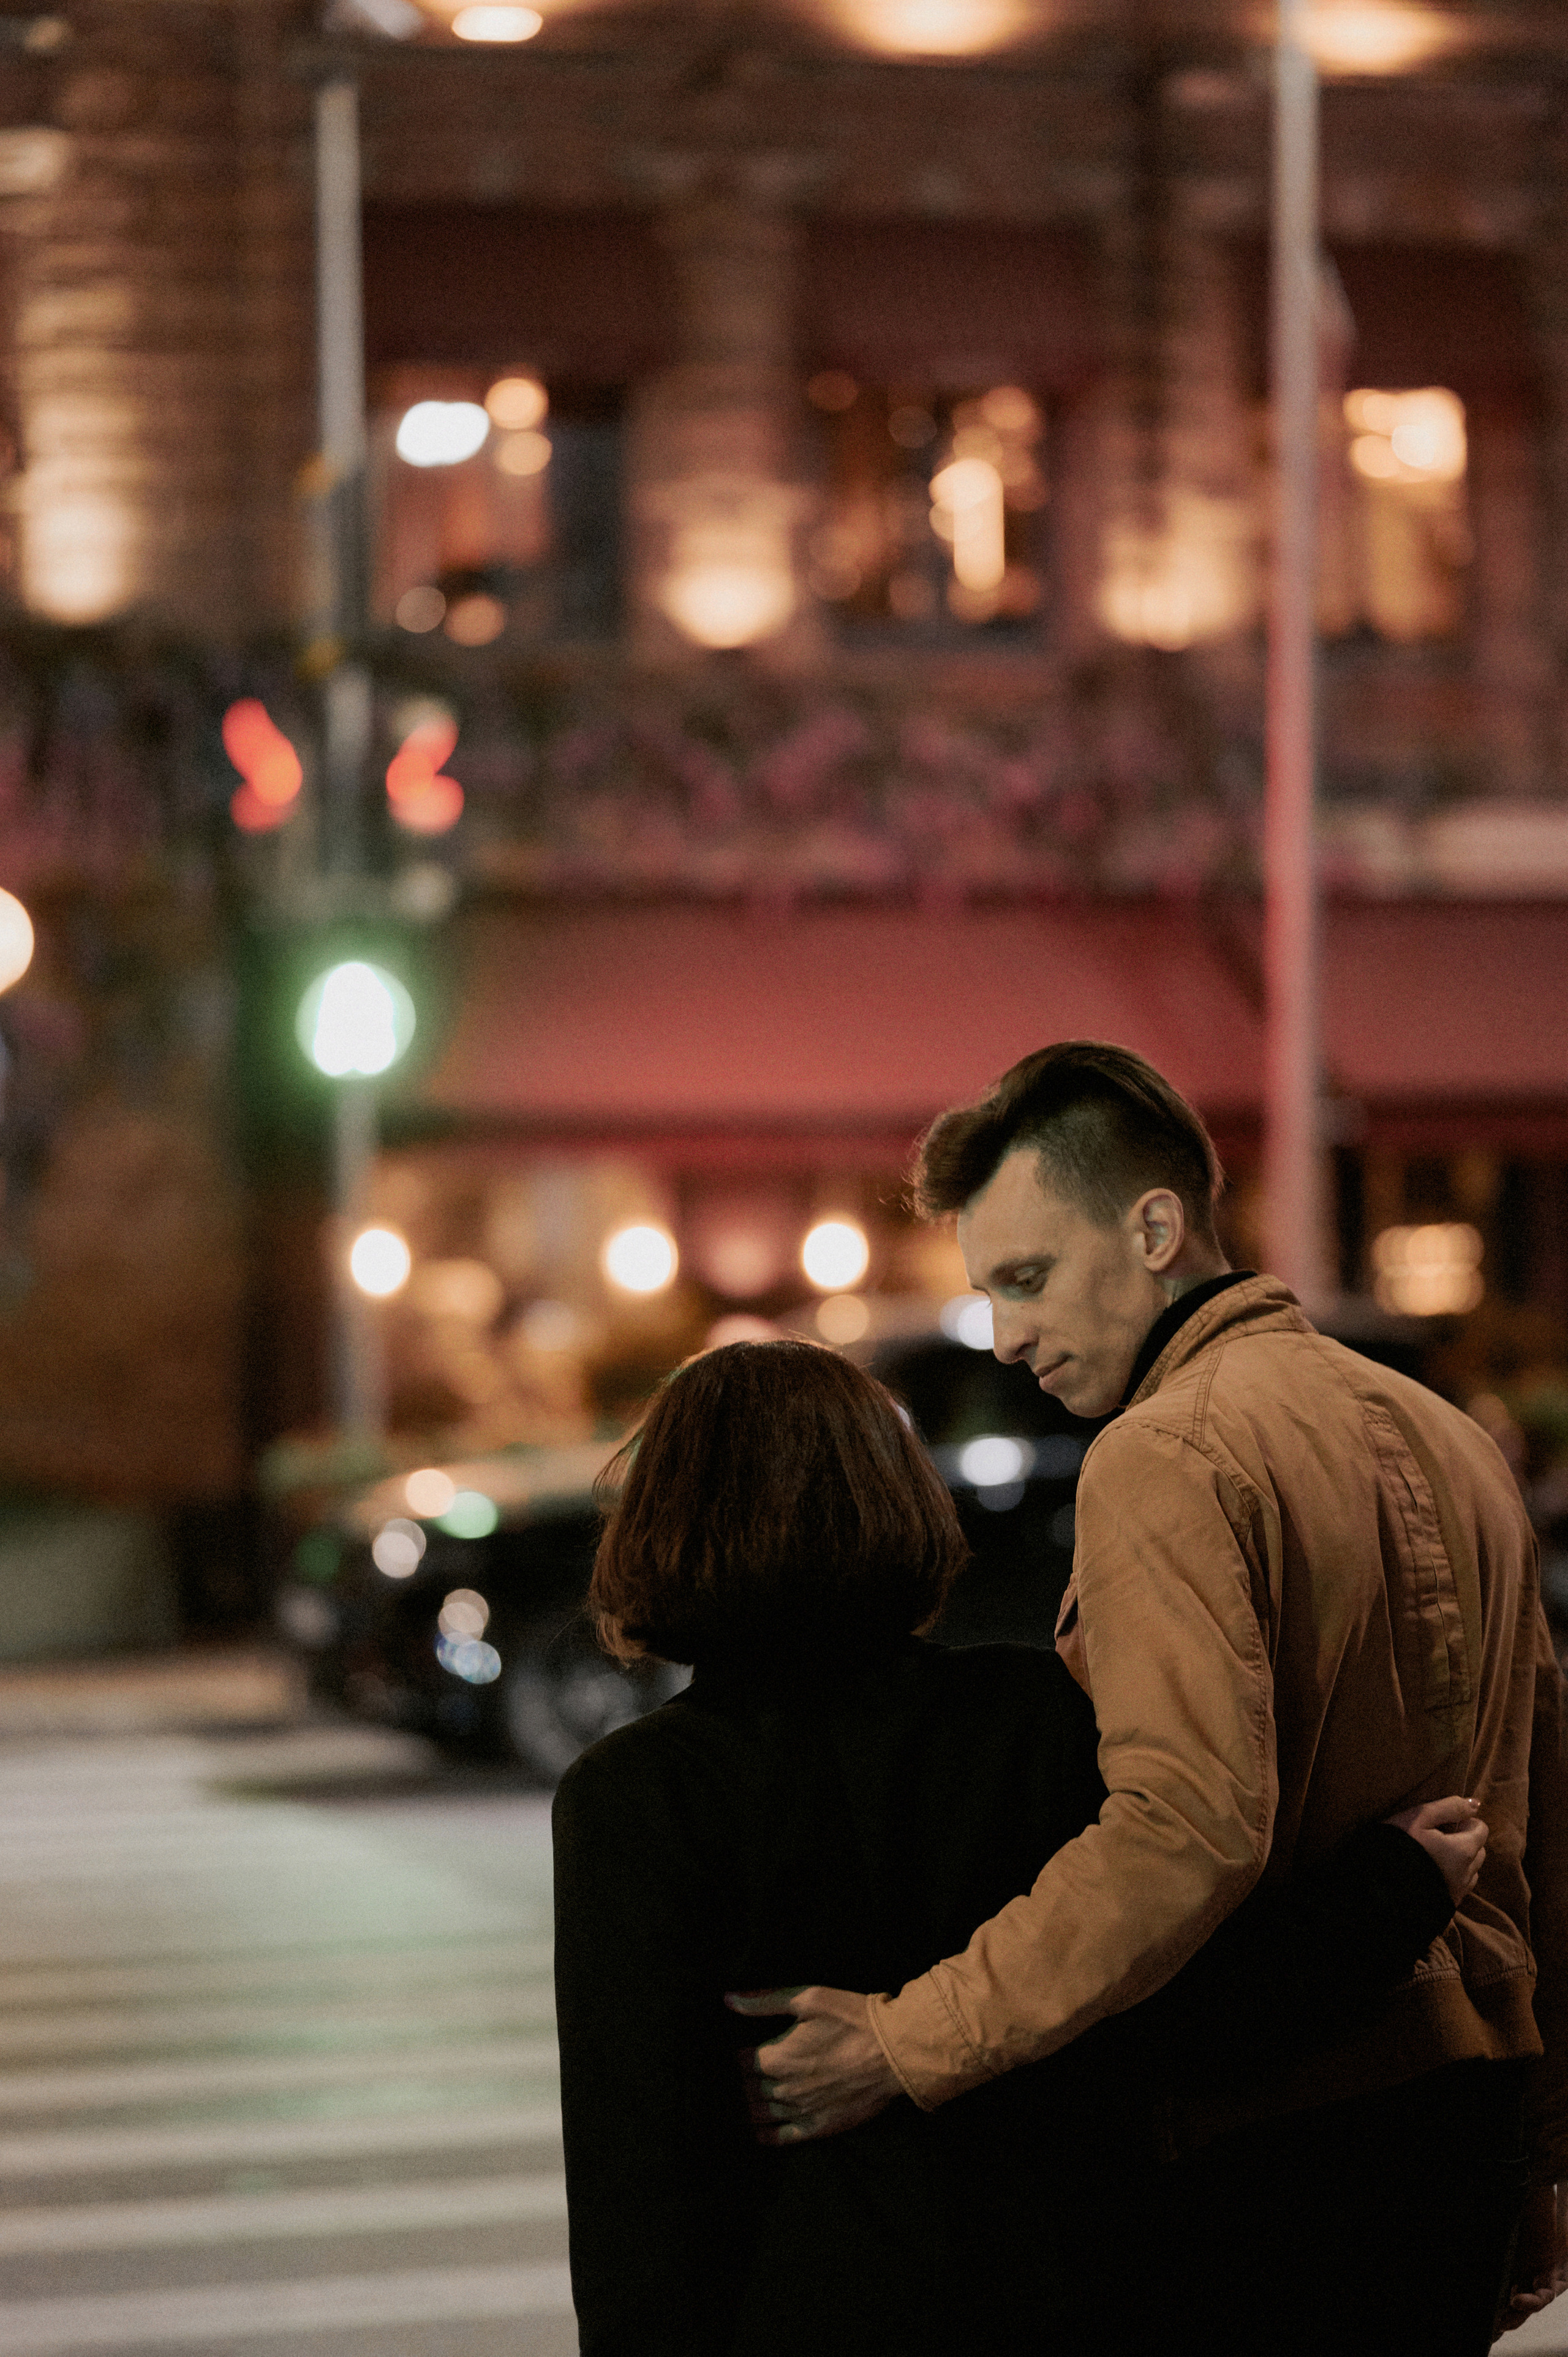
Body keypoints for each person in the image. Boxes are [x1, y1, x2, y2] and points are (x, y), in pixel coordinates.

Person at [747, 1042, 1568, 2355]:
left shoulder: (1163, 1451)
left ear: (1152, 1225)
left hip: (1284, 2135)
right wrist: (1538, 2154)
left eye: (1027, 1278)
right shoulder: (1452, 1437)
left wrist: (909, 2039)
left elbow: (1183, 1829)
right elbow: (1538, 1817)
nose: (1007, 1334)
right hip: (1464, 2112)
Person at [554, 1336, 1487, 2357]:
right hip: (1069, 2291)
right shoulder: (1033, 1718)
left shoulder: (637, 1797)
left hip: (799, 2310)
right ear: (895, 1499)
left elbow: (637, 2178)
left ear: (661, 1519)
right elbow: (1187, 2004)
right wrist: (1396, 1886)